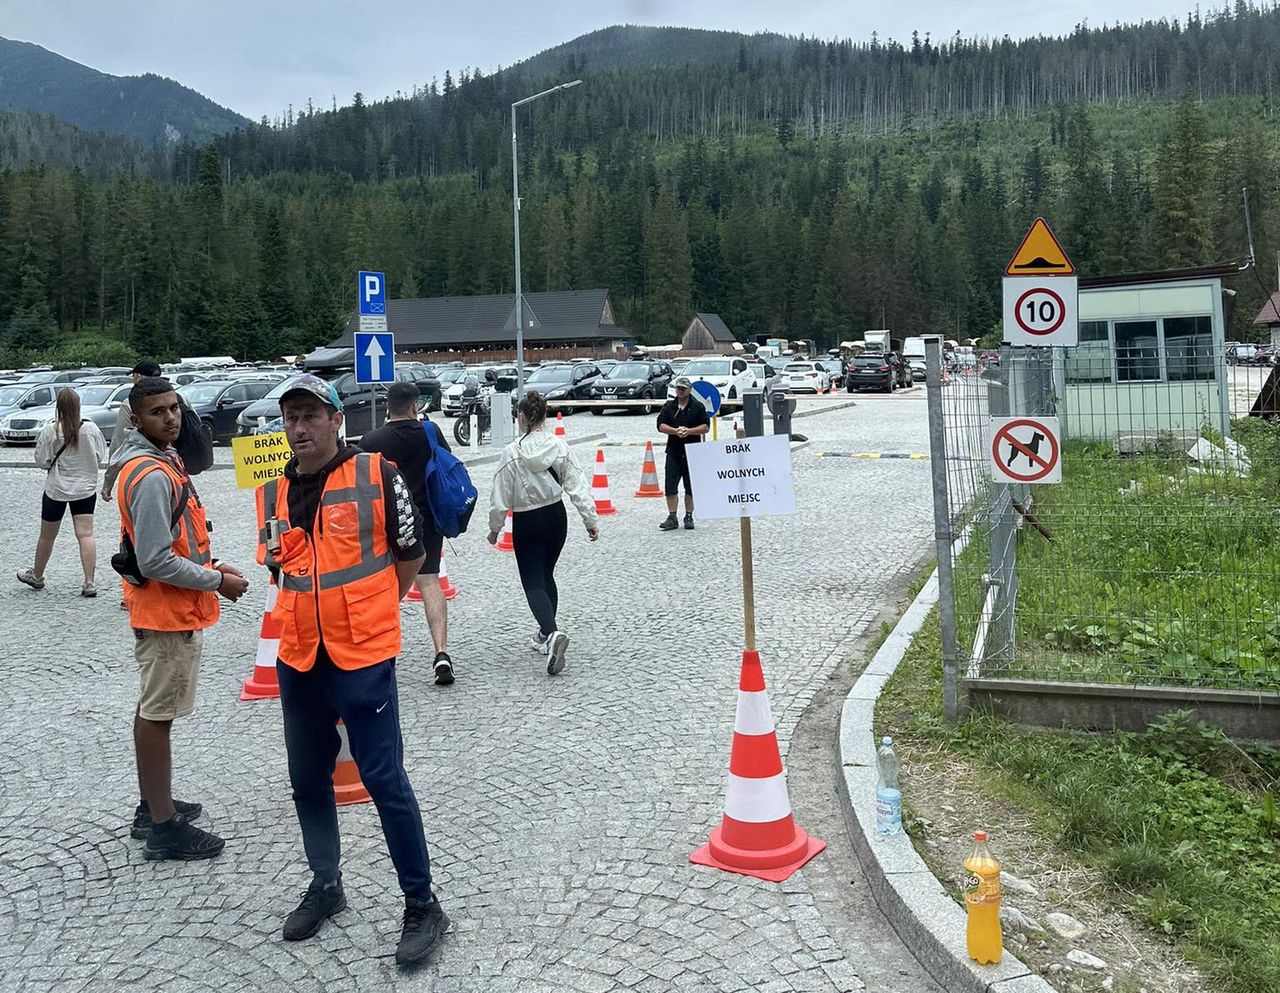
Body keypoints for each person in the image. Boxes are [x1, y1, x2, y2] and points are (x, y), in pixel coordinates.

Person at [255, 374, 448, 966]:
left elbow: (411, 554)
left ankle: (422, 903)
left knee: (384, 779)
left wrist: (373, 609)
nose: (300, 427)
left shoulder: (376, 474)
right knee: (307, 779)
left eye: (311, 415)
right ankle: (326, 884)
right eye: (291, 417)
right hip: (299, 656)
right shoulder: (272, 491)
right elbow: (277, 565)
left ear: (337, 420)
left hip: (363, 653)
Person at [109, 376, 249, 860]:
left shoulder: (161, 461)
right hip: (166, 614)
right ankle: (164, 828)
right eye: (157, 412)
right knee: (157, 715)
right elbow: (154, 559)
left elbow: (177, 541)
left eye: (173, 408)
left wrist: (212, 565)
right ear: (136, 419)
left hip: (166, 608)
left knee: (153, 709)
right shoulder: (150, 474)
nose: (169, 418)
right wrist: (218, 583)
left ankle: (153, 804)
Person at [487, 390, 598, 675]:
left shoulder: (511, 453)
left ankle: (551, 633)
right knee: (547, 573)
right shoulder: (559, 446)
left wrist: (494, 529)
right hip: (556, 517)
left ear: (521, 417)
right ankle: (544, 632)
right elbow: (576, 482)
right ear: (544, 416)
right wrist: (590, 520)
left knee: (532, 580)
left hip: (527, 519)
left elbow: (500, 496)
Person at [358, 381, 455, 686]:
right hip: (426, 519)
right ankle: (441, 652)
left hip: (386, 523)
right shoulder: (431, 432)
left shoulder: (372, 440)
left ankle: (382, 659)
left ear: (387, 406)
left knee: (385, 590)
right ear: (416, 406)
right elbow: (448, 465)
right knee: (429, 582)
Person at [17, 388, 108, 596]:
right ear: (78, 405)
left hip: (56, 490)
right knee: (86, 534)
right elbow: (100, 455)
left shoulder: (50, 431)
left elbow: (42, 461)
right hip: (85, 489)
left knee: (47, 536)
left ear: (58, 406)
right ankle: (89, 582)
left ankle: (37, 575)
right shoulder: (91, 429)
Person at [655, 376, 709, 531]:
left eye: (684, 389)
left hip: (693, 452)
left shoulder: (698, 406)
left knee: (690, 486)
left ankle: (689, 515)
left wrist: (689, 431)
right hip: (673, 451)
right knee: (670, 486)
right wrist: (675, 431)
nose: (681, 391)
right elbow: (660, 425)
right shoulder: (669, 406)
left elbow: (705, 426)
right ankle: (672, 516)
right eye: (678, 388)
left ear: (690, 389)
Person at [103, 359, 163, 494]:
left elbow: (119, 442)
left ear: (138, 377)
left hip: (143, 466)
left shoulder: (130, 403)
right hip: (175, 465)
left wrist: (109, 482)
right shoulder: (177, 398)